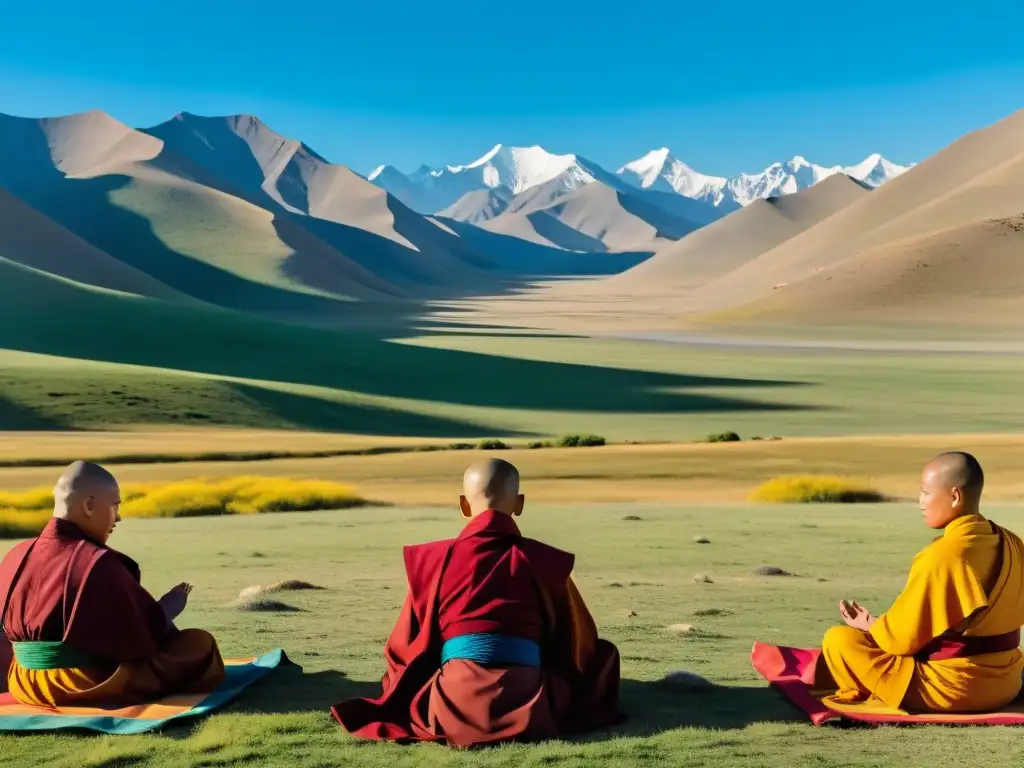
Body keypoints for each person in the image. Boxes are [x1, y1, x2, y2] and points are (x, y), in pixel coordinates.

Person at [332, 458, 623, 746]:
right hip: (530, 706)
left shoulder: (436, 561)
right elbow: (574, 640)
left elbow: (407, 644)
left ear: (463, 504)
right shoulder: (543, 560)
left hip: (452, 705)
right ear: (519, 504)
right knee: (602, 656)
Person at [0, 461, 225, 708]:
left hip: (24, 683)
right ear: (89, 505)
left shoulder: (16, 553)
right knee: (198, 644)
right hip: (80, 686)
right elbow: (137, 647)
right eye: (114, 506)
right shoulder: (98, 562)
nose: (117, 517)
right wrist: (165, 610)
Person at [817, 451, 1024, 712]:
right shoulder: (1012, 542)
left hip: (957, 689)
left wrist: (869, 624)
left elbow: (900, 642)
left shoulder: (944, 555)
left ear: (955, 496)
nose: (920, 503)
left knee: (839, 640)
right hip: (1007, 682)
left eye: (925, 493)